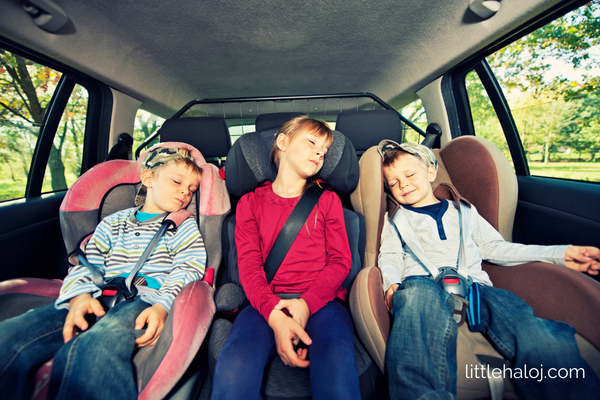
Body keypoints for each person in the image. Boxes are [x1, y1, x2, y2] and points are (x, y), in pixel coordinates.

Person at [376, 139, 600, 400]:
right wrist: (391, 282)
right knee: (414, 304)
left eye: (409, 174)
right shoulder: (395, 219)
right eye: (393, 183)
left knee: (534, 331)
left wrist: (558, 254)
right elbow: (389, 254)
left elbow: (497, 248)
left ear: (430, 171)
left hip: (476, 287)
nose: (402, 184)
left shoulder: (464, 211)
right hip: (421, 283)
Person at [0, 146, 207, 400]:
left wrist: (162, 306)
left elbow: (188, 267)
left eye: (192, 189)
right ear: (148, 178)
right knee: (10, 336)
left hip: (141, 300)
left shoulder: (182, 225)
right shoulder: (113, 222)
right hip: (96, 293)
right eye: (177, 181)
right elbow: (87, 262)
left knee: (93, 349)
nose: (185, 191)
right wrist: (79, 296)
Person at [211, 116, 360, 400]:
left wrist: (306, 305)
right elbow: (249, 267)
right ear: (283, 142)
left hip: (322, 302)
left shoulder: (327, 200)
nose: (320, 152)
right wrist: (274, 315)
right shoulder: (249, 204)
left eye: (325, 149)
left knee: (336, 366)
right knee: (234, 368)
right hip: (263, 302)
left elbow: (340, 262)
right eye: (312, 142)